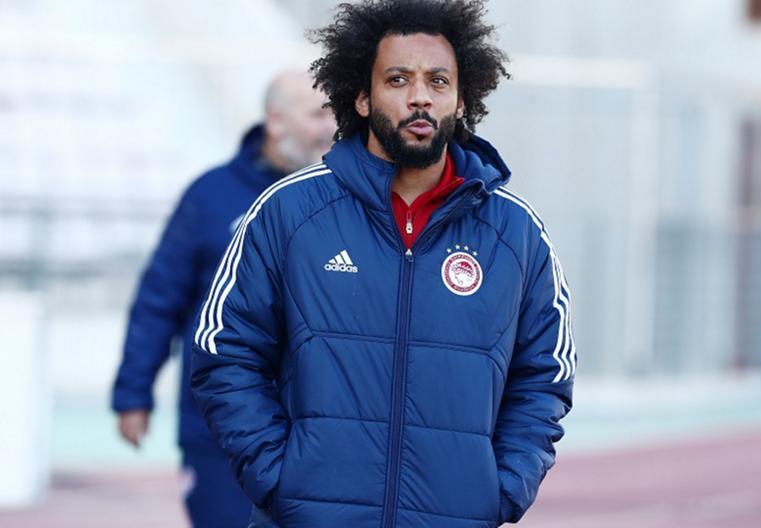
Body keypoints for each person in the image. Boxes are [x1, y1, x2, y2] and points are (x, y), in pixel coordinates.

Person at [191, 1, 576, 527]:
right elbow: (225, 351)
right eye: (398, 79)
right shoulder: (288, 213)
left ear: (462, 99)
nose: (420, 96)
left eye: (438, 81)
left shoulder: (516, 234)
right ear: (362, 97)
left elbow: (546, 375)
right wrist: (280, 479)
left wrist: (501, 489)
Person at [111, 71, 336, 527]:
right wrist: (133, 392)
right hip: (219, 431)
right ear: (276, 120)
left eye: (334, 114)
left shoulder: (344, 201)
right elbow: (160, 299)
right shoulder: (210, 195)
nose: (330, 127)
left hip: (318, 430)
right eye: (317, 114)